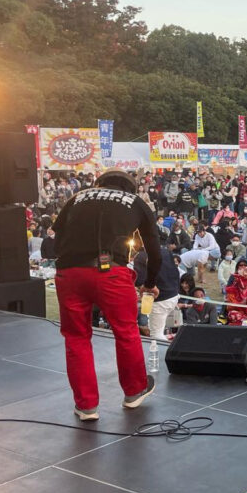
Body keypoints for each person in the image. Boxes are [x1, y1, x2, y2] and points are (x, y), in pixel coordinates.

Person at [53, 169, 159, 421]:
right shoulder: (136, 202)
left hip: (69, 273)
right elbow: (154, 251)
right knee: (126, 331)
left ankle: (86, 406)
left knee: (76, 337)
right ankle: (134, 391)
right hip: (110, 272)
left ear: (99, 183)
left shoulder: (77, 198)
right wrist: (149, 283)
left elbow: (57, 238)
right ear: (130, 188)